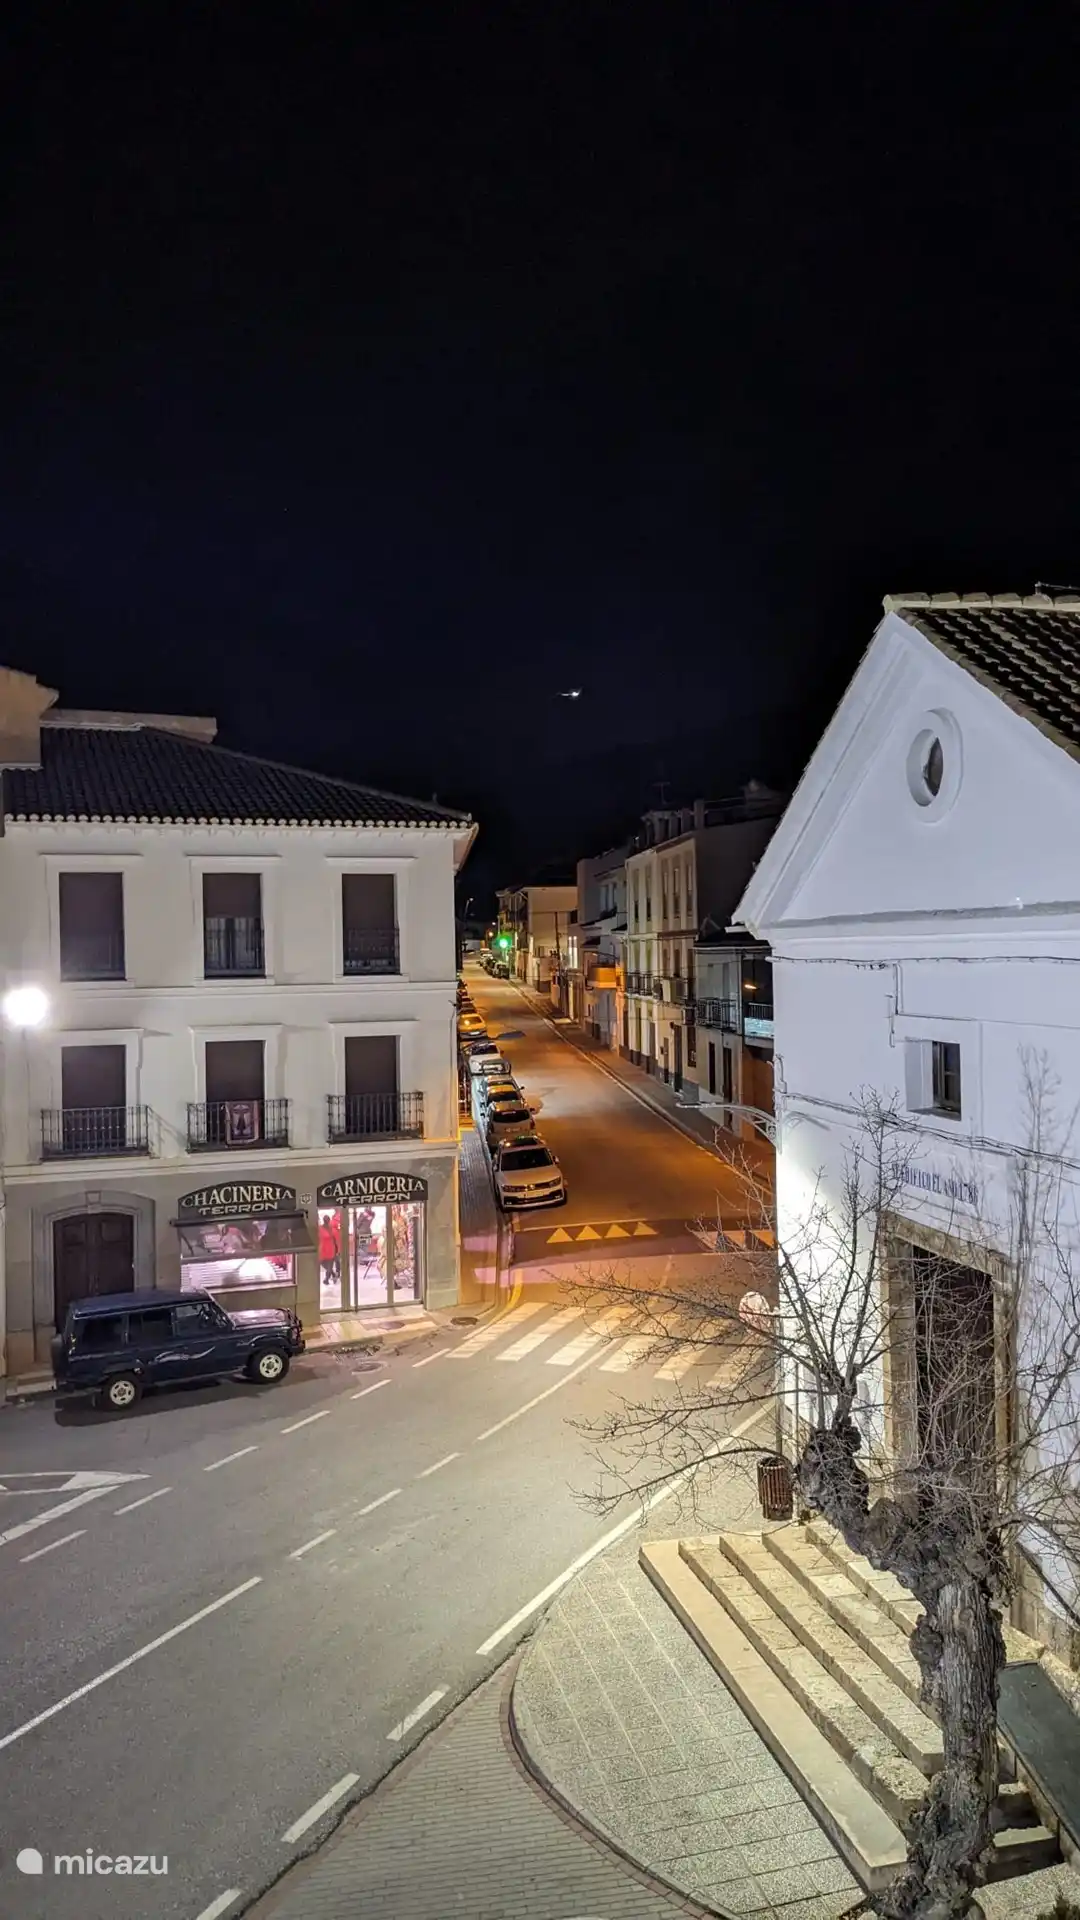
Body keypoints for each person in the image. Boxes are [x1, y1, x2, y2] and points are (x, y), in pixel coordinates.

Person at [319, 1211, 340, 1290]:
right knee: (323, 1263)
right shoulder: (319, 1228)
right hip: (323, 1248)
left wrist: (337, 1250)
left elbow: (336, 1240)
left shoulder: (332, 1230)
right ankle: (333, 1274)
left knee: (330, 1265)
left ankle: (326, 1279)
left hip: (331, 1249)